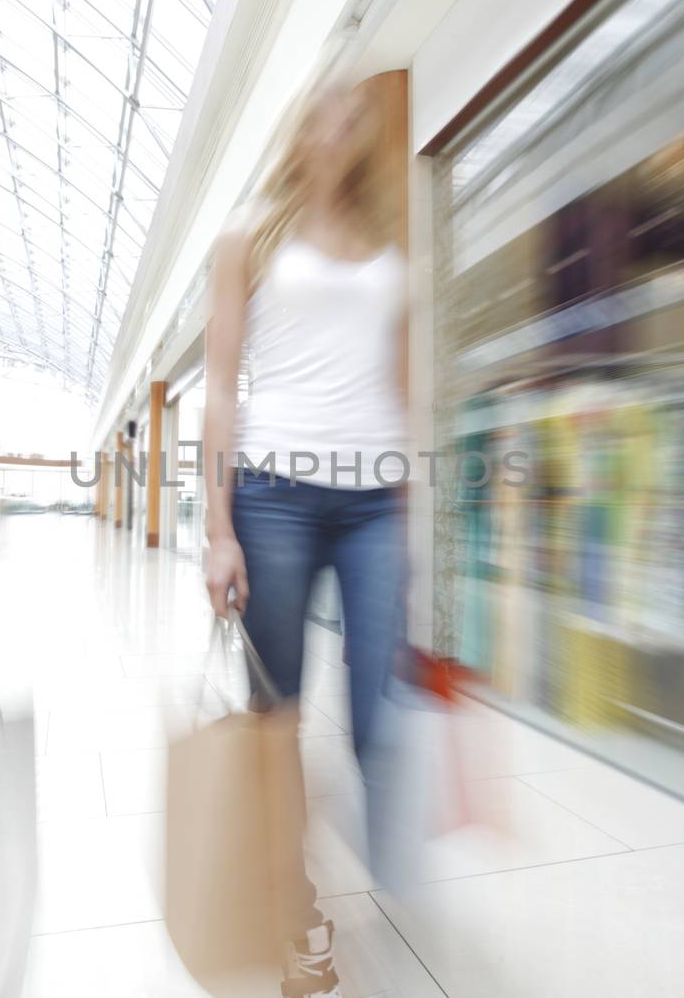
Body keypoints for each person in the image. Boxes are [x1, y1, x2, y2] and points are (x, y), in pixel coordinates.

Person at [201, 76, 407, 998]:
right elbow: (217, 386)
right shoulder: (250, 234)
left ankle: (371, 839)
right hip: (274, 495)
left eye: (353, 115)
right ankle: (295, 903)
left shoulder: (390, 243)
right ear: (295, 129)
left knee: (379, 709)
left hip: (374, 500)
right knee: (276, 708)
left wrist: (415, 504)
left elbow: (402, 385)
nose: (338, 127)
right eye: (321, 111)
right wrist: (216, 526)